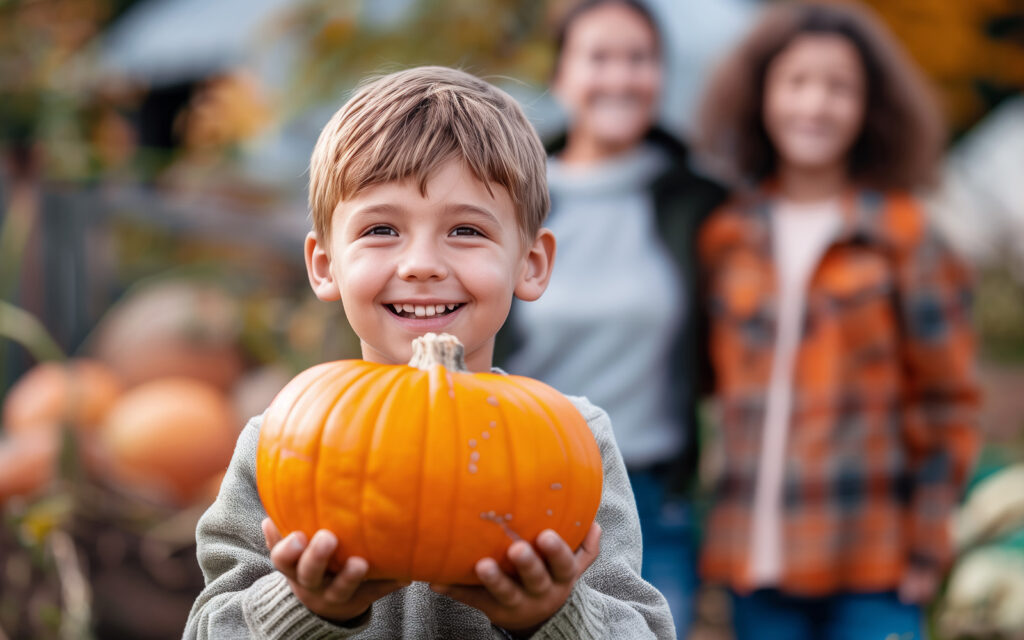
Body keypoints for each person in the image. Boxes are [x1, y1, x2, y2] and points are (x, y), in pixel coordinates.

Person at [183, 66, 675, 639]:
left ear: (531, 264)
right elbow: (208, 629)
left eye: (466, 231)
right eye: (381, 230)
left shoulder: (575, 440)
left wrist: (552, 617)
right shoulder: (282, 443)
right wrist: (306, 607)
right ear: (324, 265)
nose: (422, 263)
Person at [694, 3, 980, 639]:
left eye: (838, 87)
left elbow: (948, 401)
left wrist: (931, 541)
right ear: (762, 95)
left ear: (869, 106)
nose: (815, 105)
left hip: (873, 562)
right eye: (797, 83)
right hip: (753, 564)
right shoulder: (728, 238)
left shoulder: (908, 237)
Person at [497, 2, 726, 634]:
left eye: (639, 59)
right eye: (599, 58)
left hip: (654, 494)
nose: (620, 77)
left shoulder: (699, 202)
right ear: (564, 76)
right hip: (518, 486)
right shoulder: (510, 193)